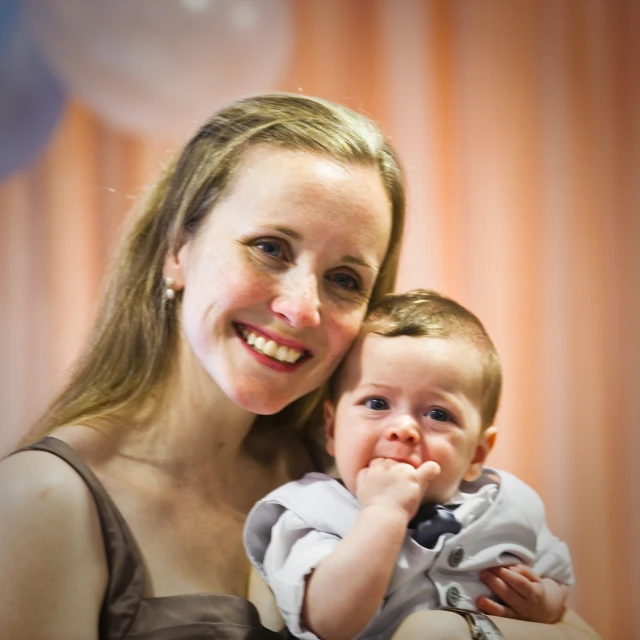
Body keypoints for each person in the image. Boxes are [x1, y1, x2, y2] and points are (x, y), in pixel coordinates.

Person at [0, 93, 599, 640]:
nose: (302, 309)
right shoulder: (42, 501)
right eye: (269, 248)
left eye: (344, 279)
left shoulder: (354, 460)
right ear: (176, 252)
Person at [244, 290, 576, 640]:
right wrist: (383, 513)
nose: (403, 429)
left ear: (476, 455)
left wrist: (546, 605)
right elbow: (328, 622)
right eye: (376, 402)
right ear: (332, 427)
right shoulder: (309, 512)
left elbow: (556, 574)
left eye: (437, 414)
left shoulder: (509, 503)